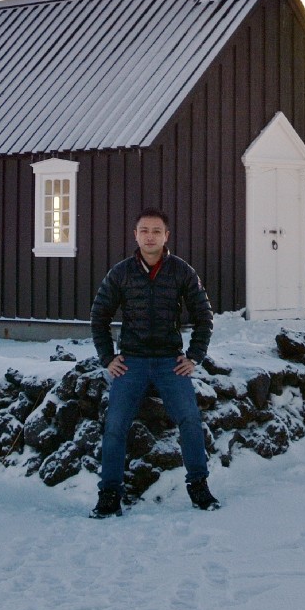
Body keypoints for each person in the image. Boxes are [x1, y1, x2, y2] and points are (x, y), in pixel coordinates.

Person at [89, 207, 218, 518]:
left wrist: (194, 356)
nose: (150, 236)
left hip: (169, 363)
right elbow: (99, 317)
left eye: (156, 231)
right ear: (135, 235)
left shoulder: (181, 271)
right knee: (115, 426)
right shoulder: (120, 273)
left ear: (166, 236)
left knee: (189, 419)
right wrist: (108, 358)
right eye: (144, 230)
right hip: (130, 363)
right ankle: (109, 495)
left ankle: (199, 487)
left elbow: (204, 316)